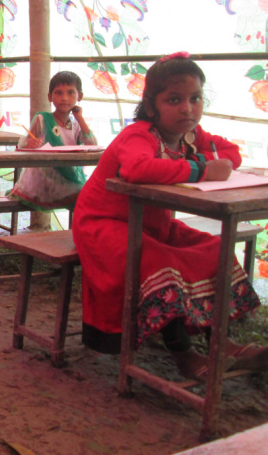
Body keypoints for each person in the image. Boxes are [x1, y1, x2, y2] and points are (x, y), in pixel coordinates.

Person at [72, 52, 267, 379]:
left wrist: (207, 161)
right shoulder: (138, 135)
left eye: (195, 98)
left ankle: (221, 343)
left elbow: (230, 153)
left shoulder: (194, 135)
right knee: (160, 260)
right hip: (103, 225)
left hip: (152, 223)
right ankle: (183, 353)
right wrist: (202, 169)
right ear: (151, 107)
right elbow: (137, 169)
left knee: (213, 249)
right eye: (174, 100)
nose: (187, 108)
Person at [8, 71, 97, 210]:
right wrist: (29, 144)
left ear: (80, 96)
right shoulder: (42, 119)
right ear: (50, 97)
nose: (64, 98)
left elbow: (92, 145)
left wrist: (79, 117)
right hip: (43, 181)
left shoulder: (76, 125)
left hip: (67, 178)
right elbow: (24, 143)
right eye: (58, 93)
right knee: (85, 196)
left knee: (89, 196)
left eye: (71, 93)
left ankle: (77, 231)